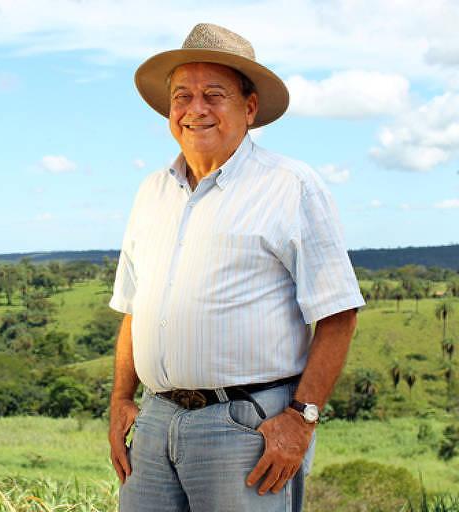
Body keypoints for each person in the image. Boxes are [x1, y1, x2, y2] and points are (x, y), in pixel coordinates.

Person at [107, 23, 365, 512]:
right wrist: (121, 399)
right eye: (182, 95)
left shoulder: (291, 186)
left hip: (246, 424)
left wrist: (301, 418)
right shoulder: (151, 192)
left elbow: (338, 314)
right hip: (158, 420)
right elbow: (133, 308)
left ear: (249, 108)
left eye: (214, 94)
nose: (195, 108)